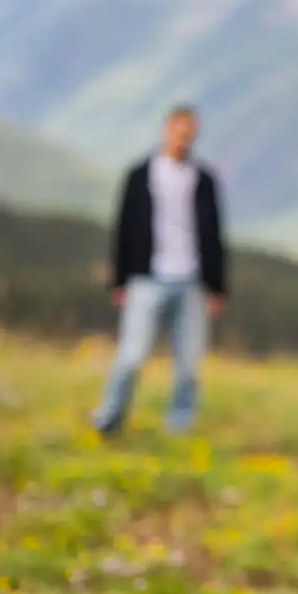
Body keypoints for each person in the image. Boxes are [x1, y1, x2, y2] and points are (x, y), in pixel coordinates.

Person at [92, 104, 228, 436]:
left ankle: (179, 427)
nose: (184, 137)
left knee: (189, 364)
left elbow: (214, 235)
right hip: (146, 278)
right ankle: (109, 419)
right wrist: (120, 280)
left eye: (190, 132)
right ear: (167, 129)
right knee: (132, 355)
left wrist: (217, 286)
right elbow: (124, 228)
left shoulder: (204, 180)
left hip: (192, 281)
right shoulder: (141, 175)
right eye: (179, 130)